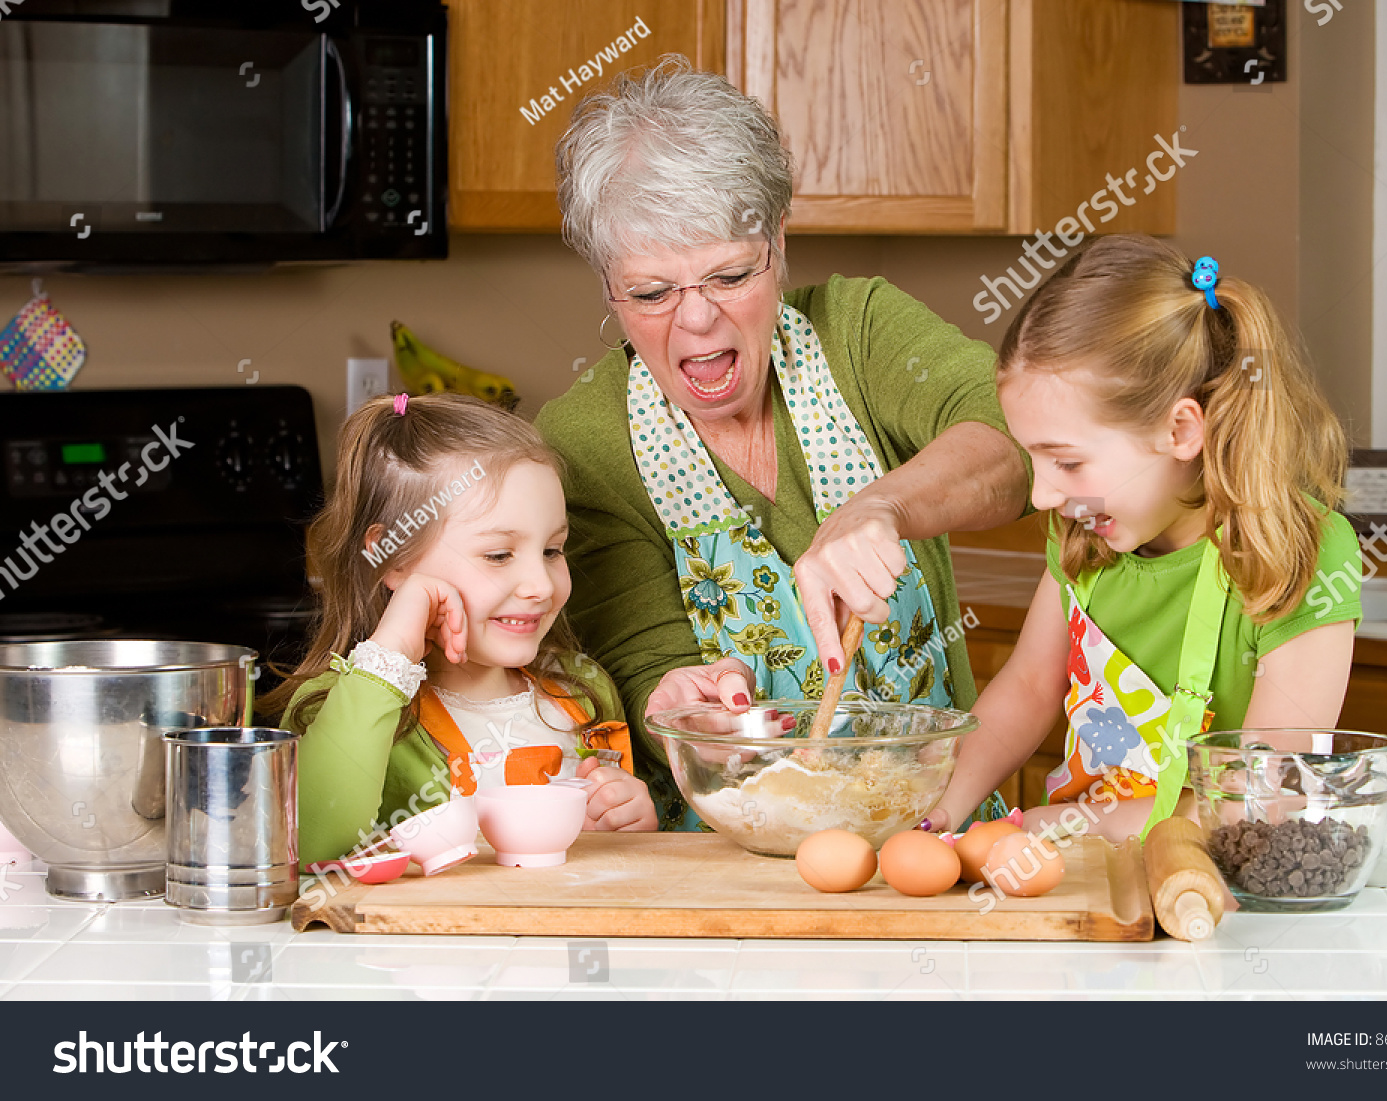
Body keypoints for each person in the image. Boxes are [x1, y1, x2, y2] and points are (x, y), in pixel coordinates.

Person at [535, 58, 1031, 829]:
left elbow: (1015, 440)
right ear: (608, 285)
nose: (696, 322)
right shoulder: (584, 442)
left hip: (937, 833)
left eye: (729, 275)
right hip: (720, 863)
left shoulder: (861, 332)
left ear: (777, 243)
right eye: (653, 292)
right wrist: (676, 695)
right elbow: (642, 657)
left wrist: (885, 505)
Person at [926, 236, 1361, 843]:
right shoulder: (1084, 535)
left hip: (1219, 885)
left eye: (1069, 464)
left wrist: (1066, 828)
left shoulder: (1297, 552)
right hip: (1087, 876)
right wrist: (940, 807)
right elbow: (1027, 688)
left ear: (1180, 429)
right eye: (1034, 461)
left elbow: (1262, 796)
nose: (1046, 496)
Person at [264, 393, 656, 867]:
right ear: (395, 556)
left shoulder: (583, 690)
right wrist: (390, 655)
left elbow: (609, 861)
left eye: (553, 550)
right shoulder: (336, 708)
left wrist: (623, 822)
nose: (539, 585)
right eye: (498, 555)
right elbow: (309, 851)